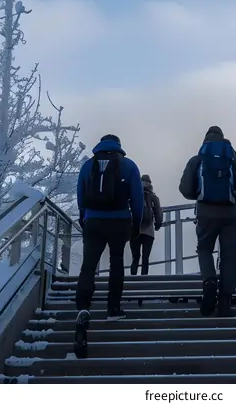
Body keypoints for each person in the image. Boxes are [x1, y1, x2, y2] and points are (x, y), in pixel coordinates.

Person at [73, 134, 144, 358]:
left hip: (94, 221)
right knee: (117, 262)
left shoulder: (88, 165)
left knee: (89, 265)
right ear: (119, 146)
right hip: (120, 221)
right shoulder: (128, 165)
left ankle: (83, 306)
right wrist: (136, 222)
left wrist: (84, 216)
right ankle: (113, 308)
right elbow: (138, 197)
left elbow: (81, 194)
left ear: (100, 145)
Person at [179, 125, 236, 318]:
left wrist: (201, 193)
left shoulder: (197, 160)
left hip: (206, 213)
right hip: (232, 215)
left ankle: (210, 281)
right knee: (229, 256)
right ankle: (225, 301)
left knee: (204, 249)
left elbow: (186, 190)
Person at [130, 174, 163, 275]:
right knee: (145, 257)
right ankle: (144, 277)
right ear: (150, 183)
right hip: (149, 232)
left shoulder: (134, 195)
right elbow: (158, 213)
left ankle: (133, 277)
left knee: (135, 257)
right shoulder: (154, 197)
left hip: (135, 231)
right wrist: (157, 225)